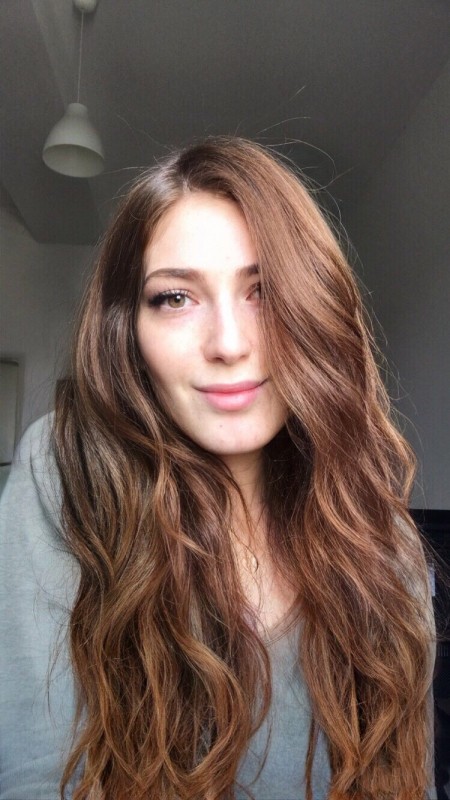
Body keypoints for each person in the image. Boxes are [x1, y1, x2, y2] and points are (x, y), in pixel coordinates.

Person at [0, 136, 436, 800]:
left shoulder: (383, 538)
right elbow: (37, 776)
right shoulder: (68, 472)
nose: (229, 344)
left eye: (265, 292)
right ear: (127, 330)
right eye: (176, 298)